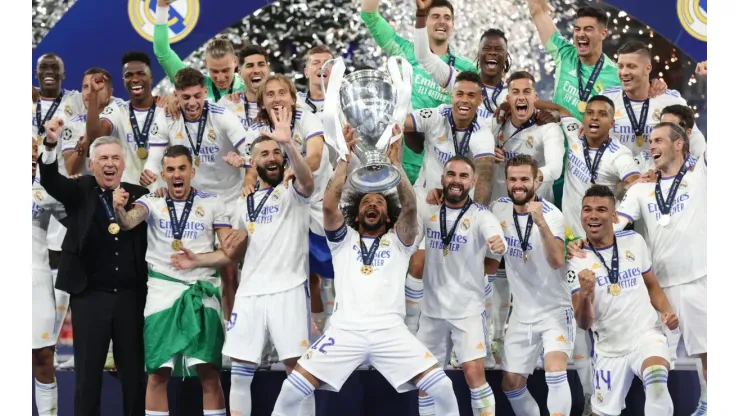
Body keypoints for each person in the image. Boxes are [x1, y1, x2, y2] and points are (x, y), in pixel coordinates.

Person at [270, 125, 459, 416]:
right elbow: (330, 206)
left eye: (380, 203)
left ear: (387, 214)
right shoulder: (343, 241)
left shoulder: (399, 241)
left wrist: (396, 167)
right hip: (345, 331)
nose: (373, 205)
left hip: (390, 332)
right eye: (367, 202)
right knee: (290, 391)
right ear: (357, 214)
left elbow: (409, 208)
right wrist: (344, 159)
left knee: (443, 387)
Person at [579, 122, 707, 415]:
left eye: (659, 140)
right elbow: (613, 223)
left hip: (699, 279)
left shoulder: (700, 175)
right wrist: (582, 243)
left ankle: (709, 404)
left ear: (679, 144)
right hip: (659, 288)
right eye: (650, 141)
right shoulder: (641, 191)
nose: (651, 146)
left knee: (709, 351)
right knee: (657, 370)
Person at [112, 145, 244, 416]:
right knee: (158, 374)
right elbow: (127, 223)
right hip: (162, 294)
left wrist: (199, 260)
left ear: (192, 171)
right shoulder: (152, 201)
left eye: (182, 168)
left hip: (202, 293)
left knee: (209, 374)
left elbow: (228, 253)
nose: (176, 174)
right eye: (170, 169)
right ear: (163, 173)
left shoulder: (212, 202)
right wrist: (118, 209)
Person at [38, 132, 147, 416]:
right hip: (89, 297)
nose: (109, 164)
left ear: (123, 165)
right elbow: (49, 180)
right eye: (103, 159)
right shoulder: (80, 190)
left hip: (130, 297)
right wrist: (50, 145)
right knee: (87, 377)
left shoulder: (139, 197)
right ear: (92, 164)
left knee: (134, 377)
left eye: (115, 158)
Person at [222, 106, 316, 416]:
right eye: (264, 154)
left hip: (288, 288)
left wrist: (289, 143)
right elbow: (235, 252)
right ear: (254, 162)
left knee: (297, 369)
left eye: (277, 152)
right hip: (250, 292)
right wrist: (214, 252)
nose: (272, 157)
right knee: (239, 372)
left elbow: (309, 182)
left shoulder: (293, 191)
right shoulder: (243, 202)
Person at [400, 71, 496, 339]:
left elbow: (486, 174)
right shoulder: (436, 115)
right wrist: (400, 99)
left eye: (471, 95)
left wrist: (475, 217)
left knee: (471, 268)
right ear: (451, 95)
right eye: (460, 93)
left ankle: (484, 333)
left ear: (480, 100)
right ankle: (409, 328)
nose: (464, 100)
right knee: (416, 262)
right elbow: (402, 123)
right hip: (427, 199)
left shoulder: (483, 129)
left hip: (462, 206)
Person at [570, 184, 678, 416]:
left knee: (657, 382)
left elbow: (652, 285)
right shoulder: (575, 260)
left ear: (614, 215)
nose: (593, 215)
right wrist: (586, 295)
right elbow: (583, 323)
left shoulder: (634, 241)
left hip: (645, 335)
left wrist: (666, 312)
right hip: (609, 349)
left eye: (601, 209)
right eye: (587, 210)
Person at [415, 155, 507, 416]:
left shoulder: (481, 215)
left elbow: (494, 234)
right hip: (432, 310)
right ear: (443, 178)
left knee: (474, 373)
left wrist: (498, 242)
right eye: (451, 174)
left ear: (474, 181)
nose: (456, 180)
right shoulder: (429, 209)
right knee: (426, 379)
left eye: (463, 176)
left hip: (467, 310)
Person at [489, 155, 577, 415]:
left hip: (555, 310)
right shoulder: (499, 209)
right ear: (506, 181)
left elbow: (557, 261)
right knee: (511, 383)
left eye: (524, 179)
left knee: (555, 370)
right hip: (522, 314)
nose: (518, 184)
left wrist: (539, 223)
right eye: (513, 179)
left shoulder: (553, 215)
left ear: (536, 181)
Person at [160, 67, 247, 321]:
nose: (192, 102)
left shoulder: (222, 115)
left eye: (198, 96)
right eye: (186, 97)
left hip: (228, 201)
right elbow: (157, 158)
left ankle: (233, 333)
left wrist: (244, 164)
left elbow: (249, 147)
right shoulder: (169, 117)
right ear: (177, 95)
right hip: (193, 203)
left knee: (229, 269)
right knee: (192, 267)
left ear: (205, 92)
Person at [361, 0, 478, 185]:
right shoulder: (406, 51)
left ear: (453, 25)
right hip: (398, 158)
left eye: (447, 18)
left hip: (440, 167)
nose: (442, 21)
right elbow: (370, 16)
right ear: (425, 20)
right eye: (436, 16)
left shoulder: (467, 69)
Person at [603, 41, 707, 162]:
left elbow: (695, 141)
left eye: (631, 66)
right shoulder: (606, 100)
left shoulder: (671, 101)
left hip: (657, 178)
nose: (624, 72)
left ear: (648, 69)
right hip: (617, 178)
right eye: (620, 66)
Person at [83, 53, 171, 189]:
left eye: (141, 73)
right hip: (127, 197)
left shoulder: (166, 109)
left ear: (151, 78)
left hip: (163, 196)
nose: (135, 79)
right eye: (129, 75)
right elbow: (95, 135)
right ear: (123, 80)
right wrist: (94, 94)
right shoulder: (118, 110)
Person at [413, 0, 509, 108]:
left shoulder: (514, 95)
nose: (492, 53)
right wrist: (420, 14)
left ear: (506, 57)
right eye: (486, 49)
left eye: (498, 49)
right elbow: (423, 56)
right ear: (478, 56)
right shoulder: (461, 82)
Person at [490, 71, 564, 203]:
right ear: (508, 99)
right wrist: (487, 151)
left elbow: (555, 169)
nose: (521, 97)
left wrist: (524, 177)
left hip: (537, 210)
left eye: (526, 92)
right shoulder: (497, 122)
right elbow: (472, 140)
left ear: (535, 97)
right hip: (500, 208)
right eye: (516, 92)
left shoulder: (549, 128)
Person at [32, 141, 67, 416]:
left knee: (43, 356)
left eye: (34, 157)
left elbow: (77, 222)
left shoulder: (44, 193)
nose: (32, 161)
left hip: (37, 280)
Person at [153, 0, 245, 102]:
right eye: (214, 71)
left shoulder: (248, 84)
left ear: (235, 62)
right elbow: (162, 52)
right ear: (205, 64)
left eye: (225, 70)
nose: (220, 78)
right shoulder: (193, 84)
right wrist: (162, 7)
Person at [218, 45, 270, 128]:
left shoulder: (284, 102)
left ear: (268, 68)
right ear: (240, 72)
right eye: (250, 66)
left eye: (261, 64)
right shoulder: (227, 104)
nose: (256, 70)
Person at [297, 45, 334, 114]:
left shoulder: (343, 103)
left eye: (327, 63)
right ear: (306, 73)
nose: (322, 67)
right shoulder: (295, 101)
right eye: (316, 63)